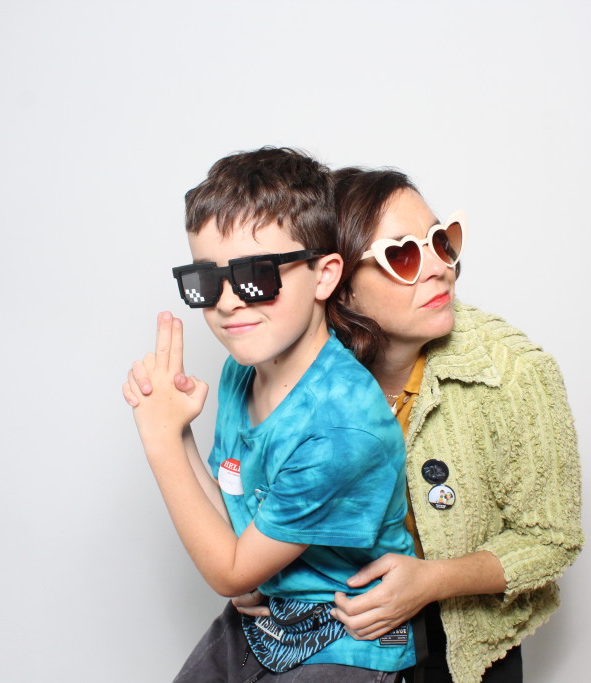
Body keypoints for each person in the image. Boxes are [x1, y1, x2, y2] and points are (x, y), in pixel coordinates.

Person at [122, 148, 417, 680]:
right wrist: (180, 430)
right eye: (205, 281)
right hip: (263, 616)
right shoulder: (244, 369)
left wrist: (160, 441)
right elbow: (233, 520)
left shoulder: (342, 427)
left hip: (346, 635)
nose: (227, 303)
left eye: (255, 276)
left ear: (324, 276)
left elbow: (230, 572)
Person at [314, 167, 585, 683]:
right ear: (339, 287)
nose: (440, 267)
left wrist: (431, 581)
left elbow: (553, 538)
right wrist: (254, 573)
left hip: (460, 645)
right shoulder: (302, 372)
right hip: (330, 636)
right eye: (403, 255)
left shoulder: (515, 373)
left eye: (441, 241)